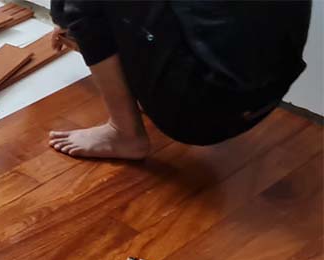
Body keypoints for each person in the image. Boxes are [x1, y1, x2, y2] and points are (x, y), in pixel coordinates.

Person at [47, 1, 312, 160]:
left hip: (202, 114)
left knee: (83, 5)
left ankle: (124, 132)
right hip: (272, 89)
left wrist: (69, 17)